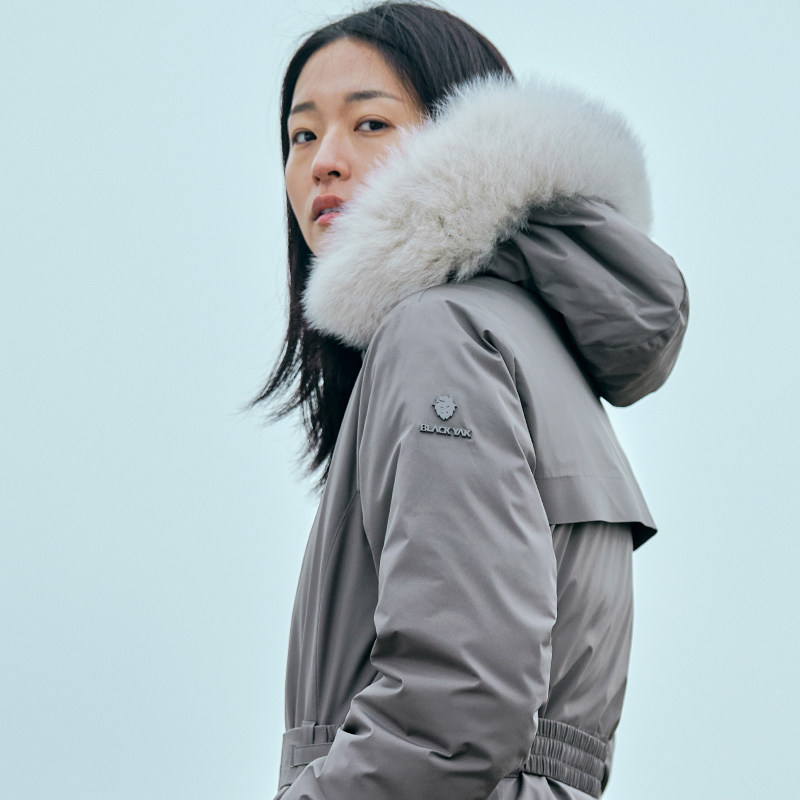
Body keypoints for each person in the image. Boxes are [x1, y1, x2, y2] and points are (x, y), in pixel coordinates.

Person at [255, 3, 689, 798]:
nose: (324, 162)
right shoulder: (519, 338)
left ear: (460, 141)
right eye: (303, 135)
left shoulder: (440, 334)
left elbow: (456, 705)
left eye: (371, 123)